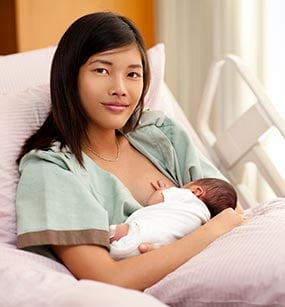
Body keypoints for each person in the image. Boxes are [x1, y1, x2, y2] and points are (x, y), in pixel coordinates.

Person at [15, 12, 245, 291]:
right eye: (102, 70)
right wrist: (209, 232)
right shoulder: (52, 170)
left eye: (133, 74)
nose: (120, 89)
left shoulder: (160, 133)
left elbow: (232, 210)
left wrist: (186, 244)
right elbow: (109, 278)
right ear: (69, 76)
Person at [109, 178, 237, 259]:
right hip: (155, 249)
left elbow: (153, 201)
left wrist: (163, 191)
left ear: (197, 191)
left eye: (187, 185)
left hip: (140, 231)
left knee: (109, 234)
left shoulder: (186, 195)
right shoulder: (202, 225)